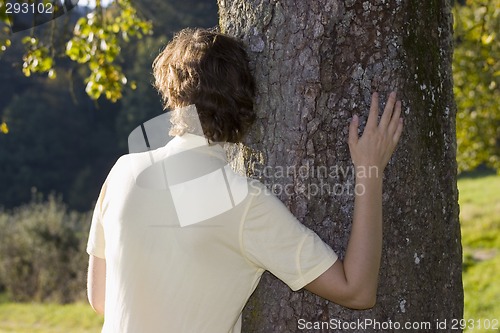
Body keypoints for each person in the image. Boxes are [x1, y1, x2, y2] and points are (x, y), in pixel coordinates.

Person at [86, 28, 403, 333]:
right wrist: (370, 169)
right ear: (245, 105)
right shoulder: (243, 202)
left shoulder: (123, 172)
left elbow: (101, 299)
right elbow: (357, 292)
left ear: (171, 93)